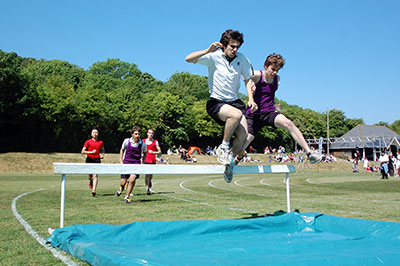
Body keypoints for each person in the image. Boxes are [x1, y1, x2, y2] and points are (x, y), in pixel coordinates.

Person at [185, 29, 257, 183]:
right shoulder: (213, 56)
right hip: (216, 102)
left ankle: (229, 163)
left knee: (243, 136)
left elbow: (248, 80)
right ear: (224, 45)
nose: (235, 50)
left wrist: (251, 99)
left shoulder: (242, 59)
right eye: (232, 46)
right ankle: (223, 146)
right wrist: (207, 50)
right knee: (236, 115)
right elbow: (188, 59)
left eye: (237, 46)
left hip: (234, 101)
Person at [238, 53, 322, 164]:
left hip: (269, 112)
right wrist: (251, 84)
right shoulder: (258, 75)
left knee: (288, 123)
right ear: (266, 66)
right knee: (241, 146)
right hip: (254, 115)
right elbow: (245, 76)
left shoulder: (277, 79)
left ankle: (309, 153)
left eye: (277, 70)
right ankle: (237, 158)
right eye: (273, 69)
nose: (275, 72)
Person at [116, 126, 147, 203]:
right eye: (136, 134)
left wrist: (143, 161)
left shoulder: (142, 144)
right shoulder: (127, 141)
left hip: (136, 164)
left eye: (139, 134)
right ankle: (121, 187)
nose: (137, 136)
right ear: (132, 134)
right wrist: (121, 160)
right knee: (123, 182)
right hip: (126, 163)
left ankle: (127, 196)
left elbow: (145, 152)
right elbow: (122, 149)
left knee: (132, 180)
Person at [81, 126, 105, 197]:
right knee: (90, 175)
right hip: (89, 159)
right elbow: (83, 151)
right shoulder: (88, 141)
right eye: (94, 132)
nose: (95, 134)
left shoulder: (100, 142)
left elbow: (103, 149)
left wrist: (102, 154)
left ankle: (94, 190)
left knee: (96, 175)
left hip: (97, 159)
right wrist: (91, 152)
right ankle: (90, 180)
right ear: (91, 134)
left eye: (96, 132)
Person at [143, 128, 161, 195]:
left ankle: (149, 182)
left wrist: (153, 152)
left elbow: (159, 151)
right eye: (149, 133)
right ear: (147, 133)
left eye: (152, 133)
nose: (151, 134)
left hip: (152, 160)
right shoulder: (143, 141)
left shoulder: (155, 142)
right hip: (145, 160)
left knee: (150, 175)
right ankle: (147, 188)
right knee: (147, 174)